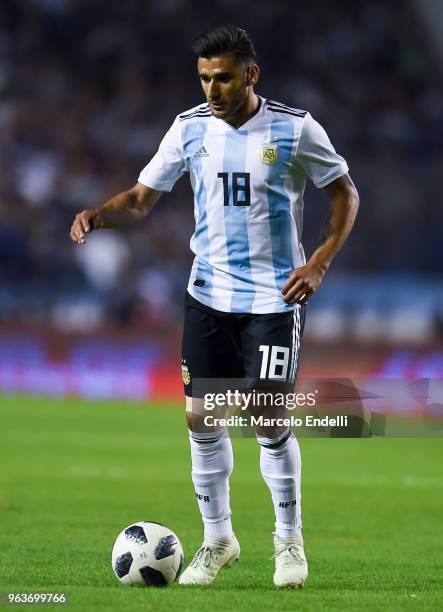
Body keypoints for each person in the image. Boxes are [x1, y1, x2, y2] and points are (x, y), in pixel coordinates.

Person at [70, 24, 359, 589]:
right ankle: (218, 538)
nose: (212, 89)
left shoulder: (296, 129)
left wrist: (320, 260)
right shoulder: (188, 130)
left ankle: (289, 542)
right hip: (207, 295)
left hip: (274, 300)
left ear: (251, 75)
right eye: (204, 78)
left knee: (266, 420)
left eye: (223, 78)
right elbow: (139, 199)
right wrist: (98, 214)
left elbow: (344, 192)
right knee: (202, 421)